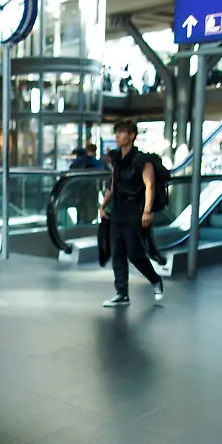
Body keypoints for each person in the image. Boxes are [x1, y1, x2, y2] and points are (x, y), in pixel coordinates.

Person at [98, 120, 164, 308]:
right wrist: (103, 205)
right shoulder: (117, 159)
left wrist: (147, 211)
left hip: (134, 211)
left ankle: (155, 279)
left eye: (121, 132)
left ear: (132, 135)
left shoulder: (142, 160)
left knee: (135, 253)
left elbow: (149, 185)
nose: (117, 136)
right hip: (117, 211)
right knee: (117, 253)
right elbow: (113, 185)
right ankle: (121, 293)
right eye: (116, 133)